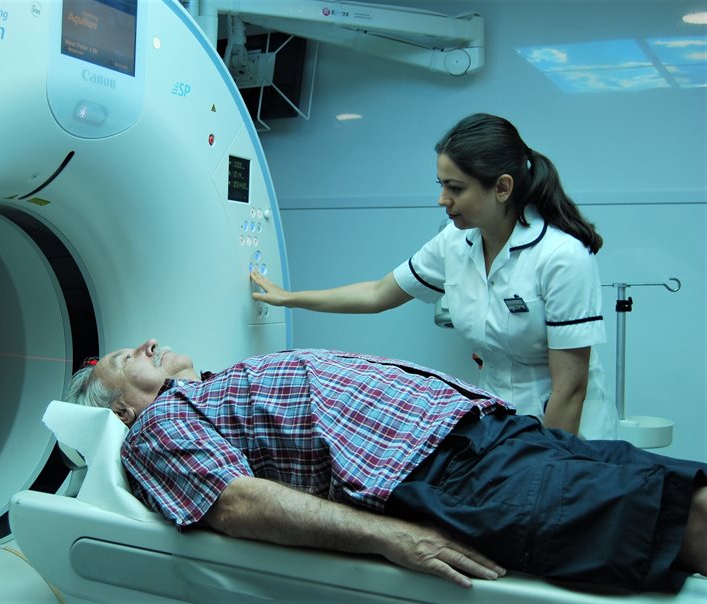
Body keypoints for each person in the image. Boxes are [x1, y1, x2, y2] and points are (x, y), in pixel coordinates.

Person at [65, 338, 707, 594]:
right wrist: (392, 536)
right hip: (447, 477)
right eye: (128, 358)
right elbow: (237, 502)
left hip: (489, 433)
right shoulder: (156, 429)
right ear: (122, 409)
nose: (148, 345)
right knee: (674, 518)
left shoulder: (225, 381)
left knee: (677, 486)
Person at [250, 113, 616, 440]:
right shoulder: (454, 243)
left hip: (568, 433)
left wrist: (549, 466)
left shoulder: (561, 257)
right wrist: (290, 298)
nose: (442, 199)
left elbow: (570, 388)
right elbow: (377, 294)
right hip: (502, 419)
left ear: (502, 188)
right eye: (440, 184)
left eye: (455, 188)